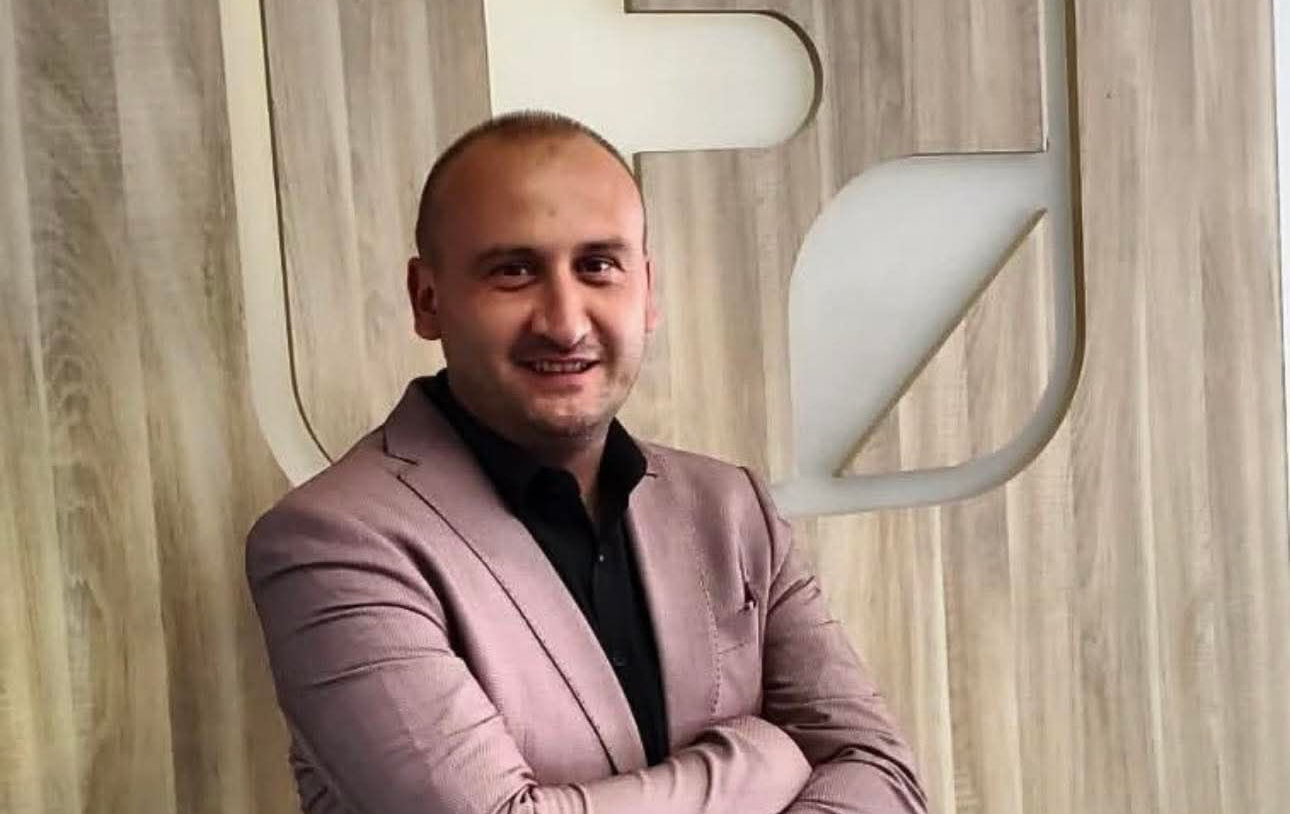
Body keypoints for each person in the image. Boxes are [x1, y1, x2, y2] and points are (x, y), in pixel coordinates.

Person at [245, 111, 928, 814]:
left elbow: (883, 776)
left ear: (647, 290)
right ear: (428, 299)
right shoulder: (330, 542)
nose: (565, 323)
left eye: (598, 265)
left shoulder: (730, 506)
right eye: (513, 271)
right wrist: (760, 757)